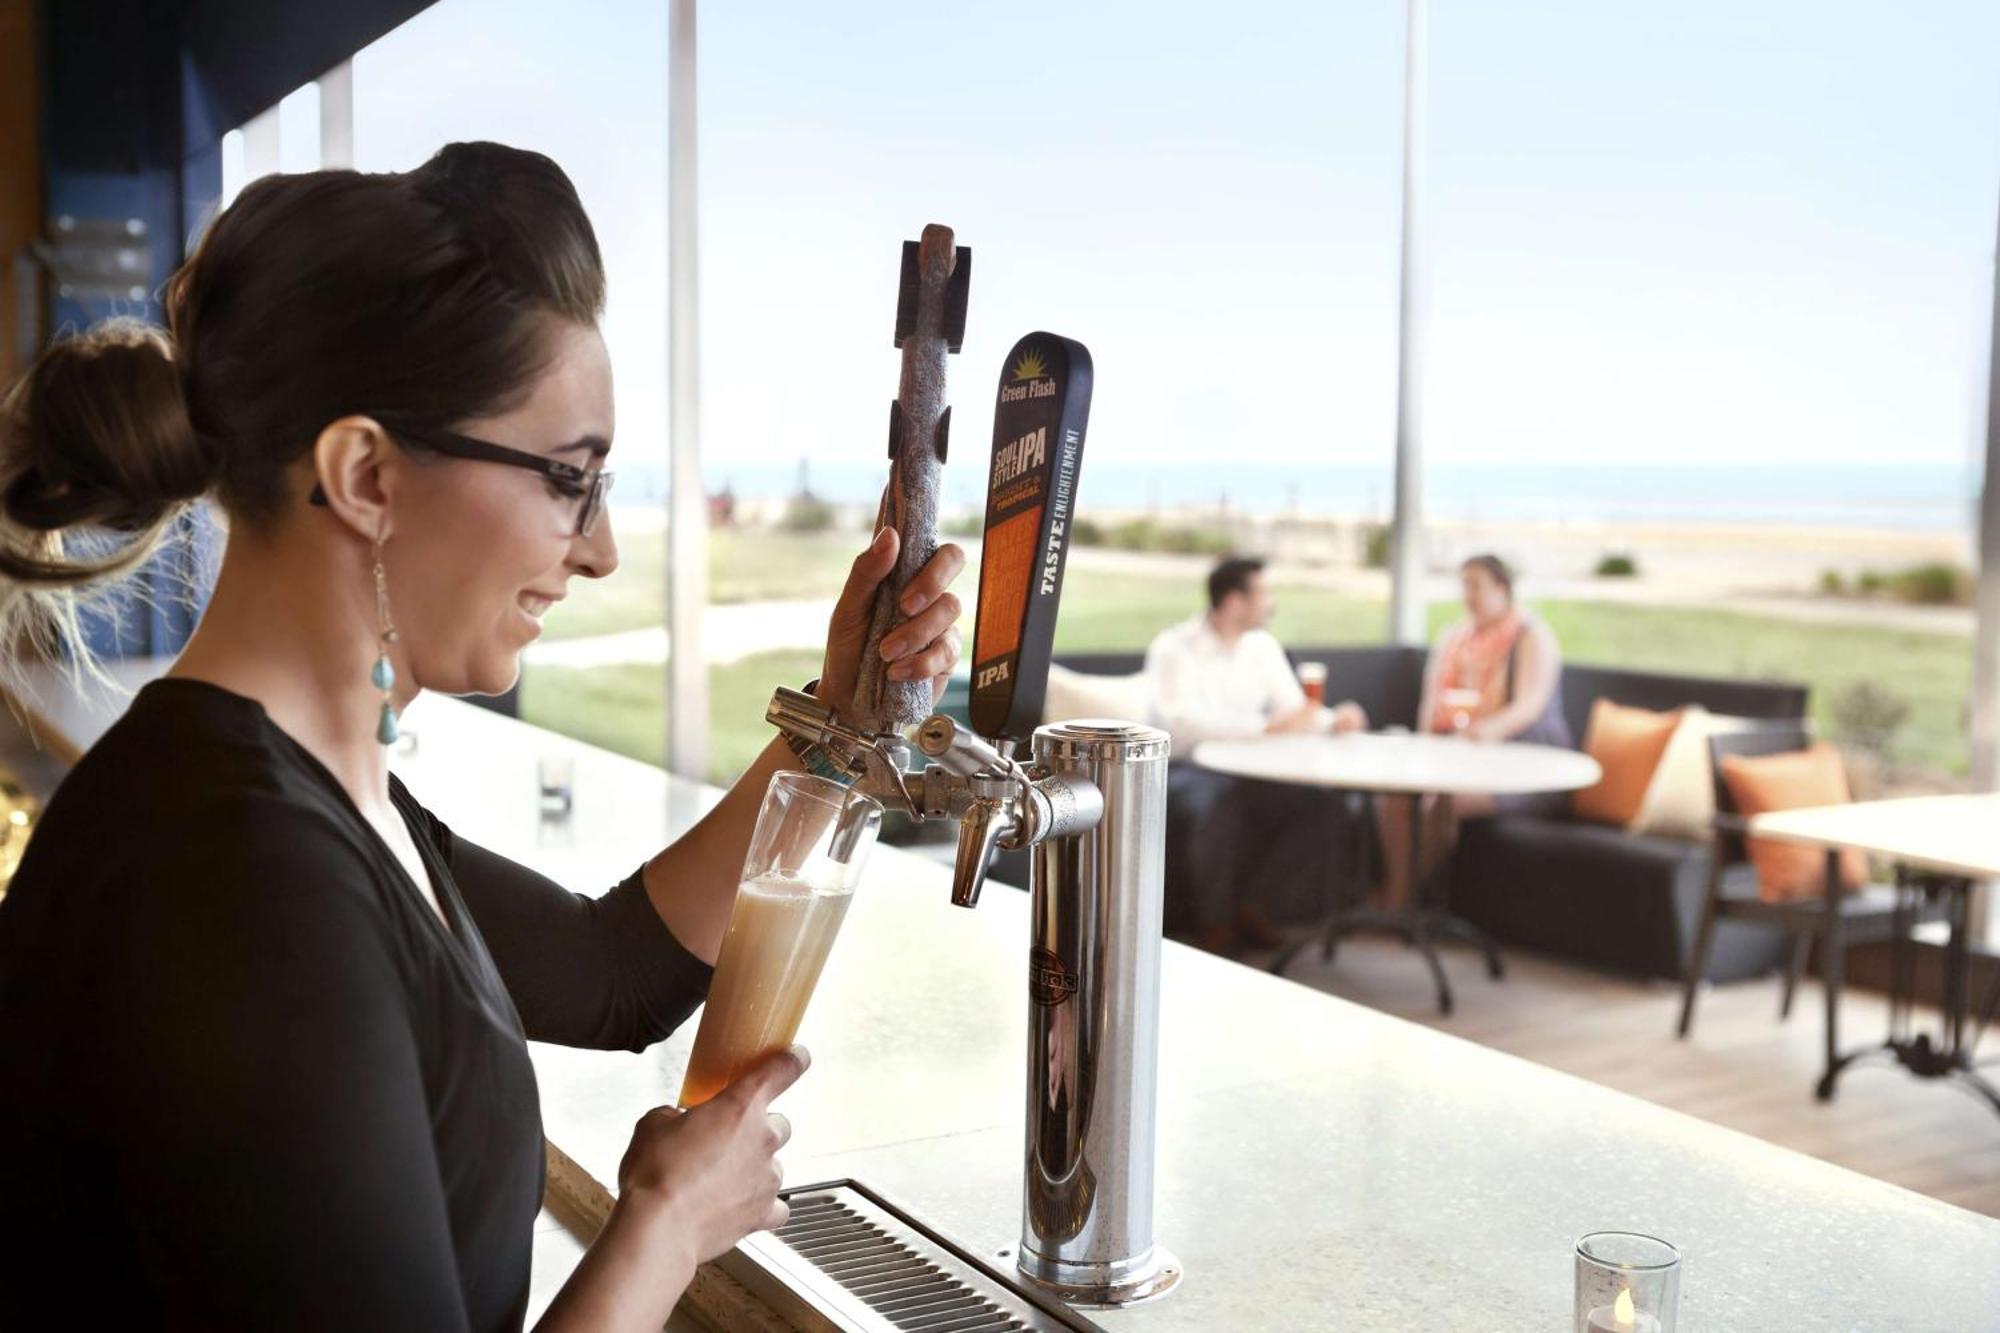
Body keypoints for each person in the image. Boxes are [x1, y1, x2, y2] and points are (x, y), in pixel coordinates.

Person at [0, 143, 967, 1332]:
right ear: (366, 475)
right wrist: (663, 1227)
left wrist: (845, 711)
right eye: (570, 479)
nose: (600, 549)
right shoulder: (236, 880)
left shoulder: (301, 796)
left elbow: (617, 971)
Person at [1144, 556, 1366, 955]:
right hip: (1190, 767)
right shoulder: (1174, 649)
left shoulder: (1261, 647)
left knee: (1324, 805)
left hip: (1254, 769)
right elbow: (1178, 726)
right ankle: (1214, 921)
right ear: (1234, 602)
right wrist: (1261, 729)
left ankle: (1252, 904)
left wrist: (1334, 720)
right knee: (1219, 807)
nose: (1271, 603)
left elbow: (1294, 711)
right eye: (1263, 594)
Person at [1379, 553, 1569, 906]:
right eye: (1464, 585)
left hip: (1528, 771)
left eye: (1476, 585)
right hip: (1463, 761)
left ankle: (1401, 902)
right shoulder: (1454, 639)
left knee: (1441, 803)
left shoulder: (1532, 637)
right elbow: (1432, 704)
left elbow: (1529, 707)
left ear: (1503, 589)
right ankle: (1403, 896)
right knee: (1396, 797)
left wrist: (1479, 733)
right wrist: (1425, 749)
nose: (1467, 594)